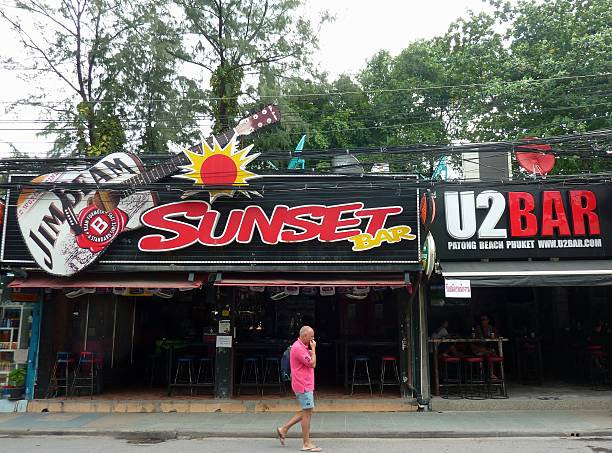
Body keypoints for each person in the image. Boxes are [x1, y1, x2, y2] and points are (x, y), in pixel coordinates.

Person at [277, 326, 322, 452]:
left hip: (305, 383)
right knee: (307, 413)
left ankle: (284, 429)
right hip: (303, 384)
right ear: (304, 336)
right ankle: (306, 443)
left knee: (307, 410)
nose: (313, 338)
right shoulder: (298, 348)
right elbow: (313, 364)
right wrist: (313, 349)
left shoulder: (301, 346)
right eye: (311, 336)